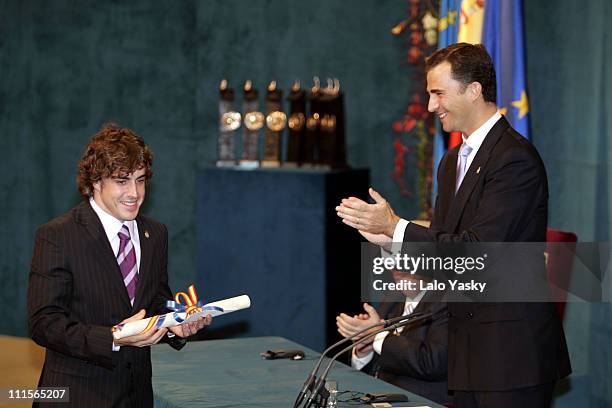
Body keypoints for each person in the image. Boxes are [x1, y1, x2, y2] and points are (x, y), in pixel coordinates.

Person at [336, 43, 571, 407]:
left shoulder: (514, 159)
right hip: (465, 355)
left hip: (509, 357)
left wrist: (396, 226)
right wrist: (388, 240)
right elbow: (448, 255)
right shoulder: (450, 163)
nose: (431, 106)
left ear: (474, 90)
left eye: (438, 93)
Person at [27, 124, 211, 407]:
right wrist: (115, 337)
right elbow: (44, 324)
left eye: (140, 180)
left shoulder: (156, 233)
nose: (134, 193)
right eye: (122, 181)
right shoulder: (57, 235)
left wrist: (177, 323)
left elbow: (156, 301)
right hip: (76, 397)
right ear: (96, 181)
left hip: (137, 395)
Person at [337, 272, 451, 405]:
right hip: (380, 395)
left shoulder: (449, 301)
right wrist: (365, 348)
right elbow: (384, 355)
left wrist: (377, 335)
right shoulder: (394, 295)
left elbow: (432, 362)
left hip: (422, 401)